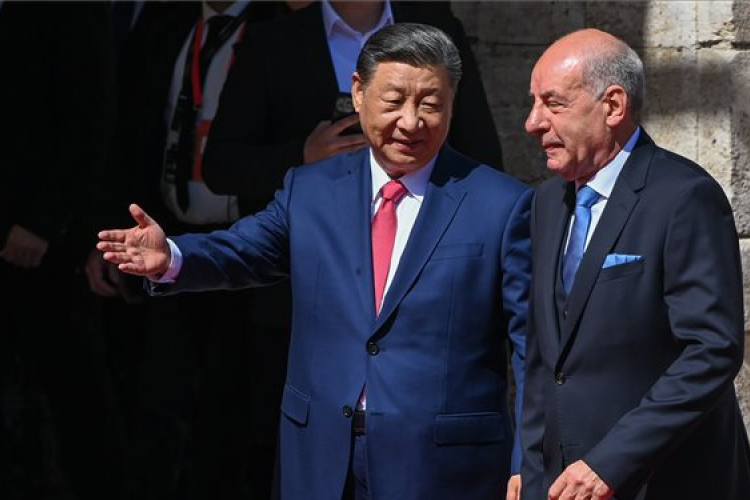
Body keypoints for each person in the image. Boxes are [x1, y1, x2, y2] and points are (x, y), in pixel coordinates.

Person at [98, 22, 531, 500]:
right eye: (394, 101)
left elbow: (532, 346)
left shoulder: (499, 204)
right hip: (321, 456)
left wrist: (528, 464)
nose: (411, 122)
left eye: (431, 104)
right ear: (359, 92)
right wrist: (172, 256)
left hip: (445, 467)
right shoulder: (311, 189)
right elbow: (244, 250)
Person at [515, 28, 750, 500]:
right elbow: (544, 358)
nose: (532, 122)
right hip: (564, 485)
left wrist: (610, 463)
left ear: (613, 105)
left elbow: (710, 351)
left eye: (553, 103)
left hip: (665, 480)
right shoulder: (546, 203)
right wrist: (533, 470)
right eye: (533, 103)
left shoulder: (684, 197)